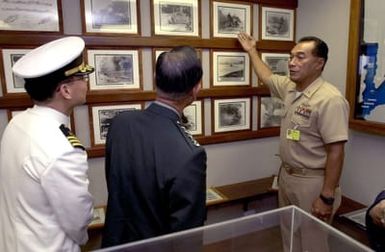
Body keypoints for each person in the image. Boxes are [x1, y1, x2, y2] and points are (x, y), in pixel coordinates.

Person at [237, 32, 349, 251]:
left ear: (319, 63)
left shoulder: (330, 99)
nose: (292, 63)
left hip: (313, 183)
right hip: (287, 177)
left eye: (300, 57)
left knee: (312, 243)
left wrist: (326, 197)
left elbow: (336, 151)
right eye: (291, 57)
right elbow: (267, 76)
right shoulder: (291, 87)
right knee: (290, 239)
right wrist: (251, 50)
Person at [101, 46, 207, 247]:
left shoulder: (121, 123)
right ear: (196, 89)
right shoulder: (190, 154)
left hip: (115, 243)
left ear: (155, 80)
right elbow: (187, 235)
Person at [0, 36, 95, 252]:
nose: (86, 82)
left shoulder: (17, 123)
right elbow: (78, 223)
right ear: (66, 90)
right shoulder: (62, 150)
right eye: (82, 76)